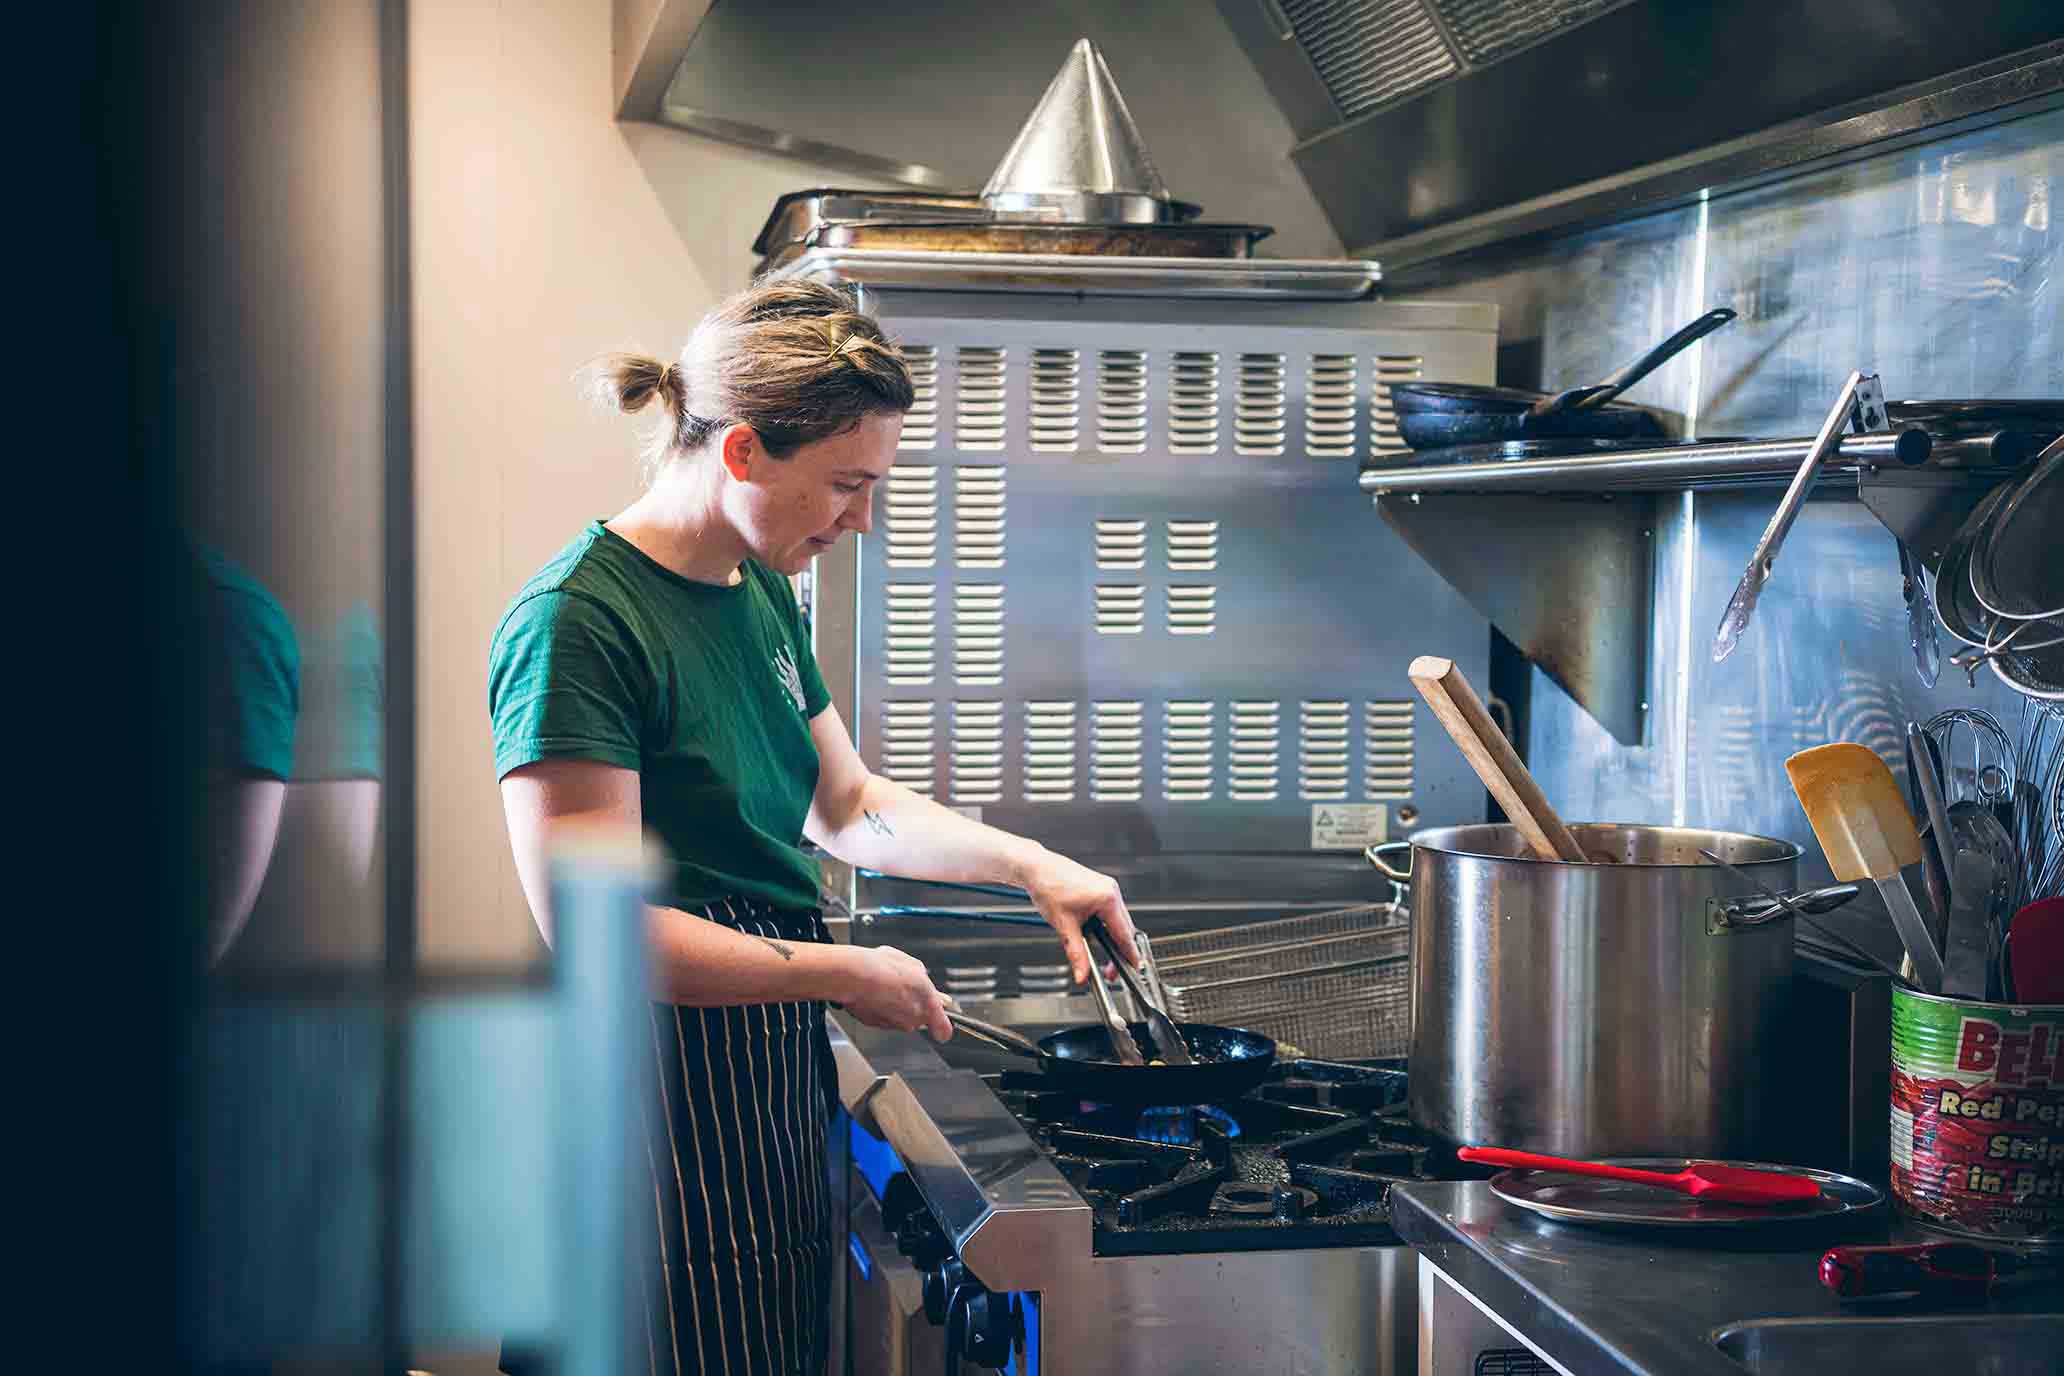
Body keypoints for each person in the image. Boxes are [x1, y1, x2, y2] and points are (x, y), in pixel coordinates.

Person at [488, 278, 1140, 1376]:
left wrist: (1036, 865)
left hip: (757, 1071)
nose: (862, 519)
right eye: (846, 484)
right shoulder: (579, 624)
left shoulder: (757, 586)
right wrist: (840, 968)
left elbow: (848, 804)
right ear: (742, 451)